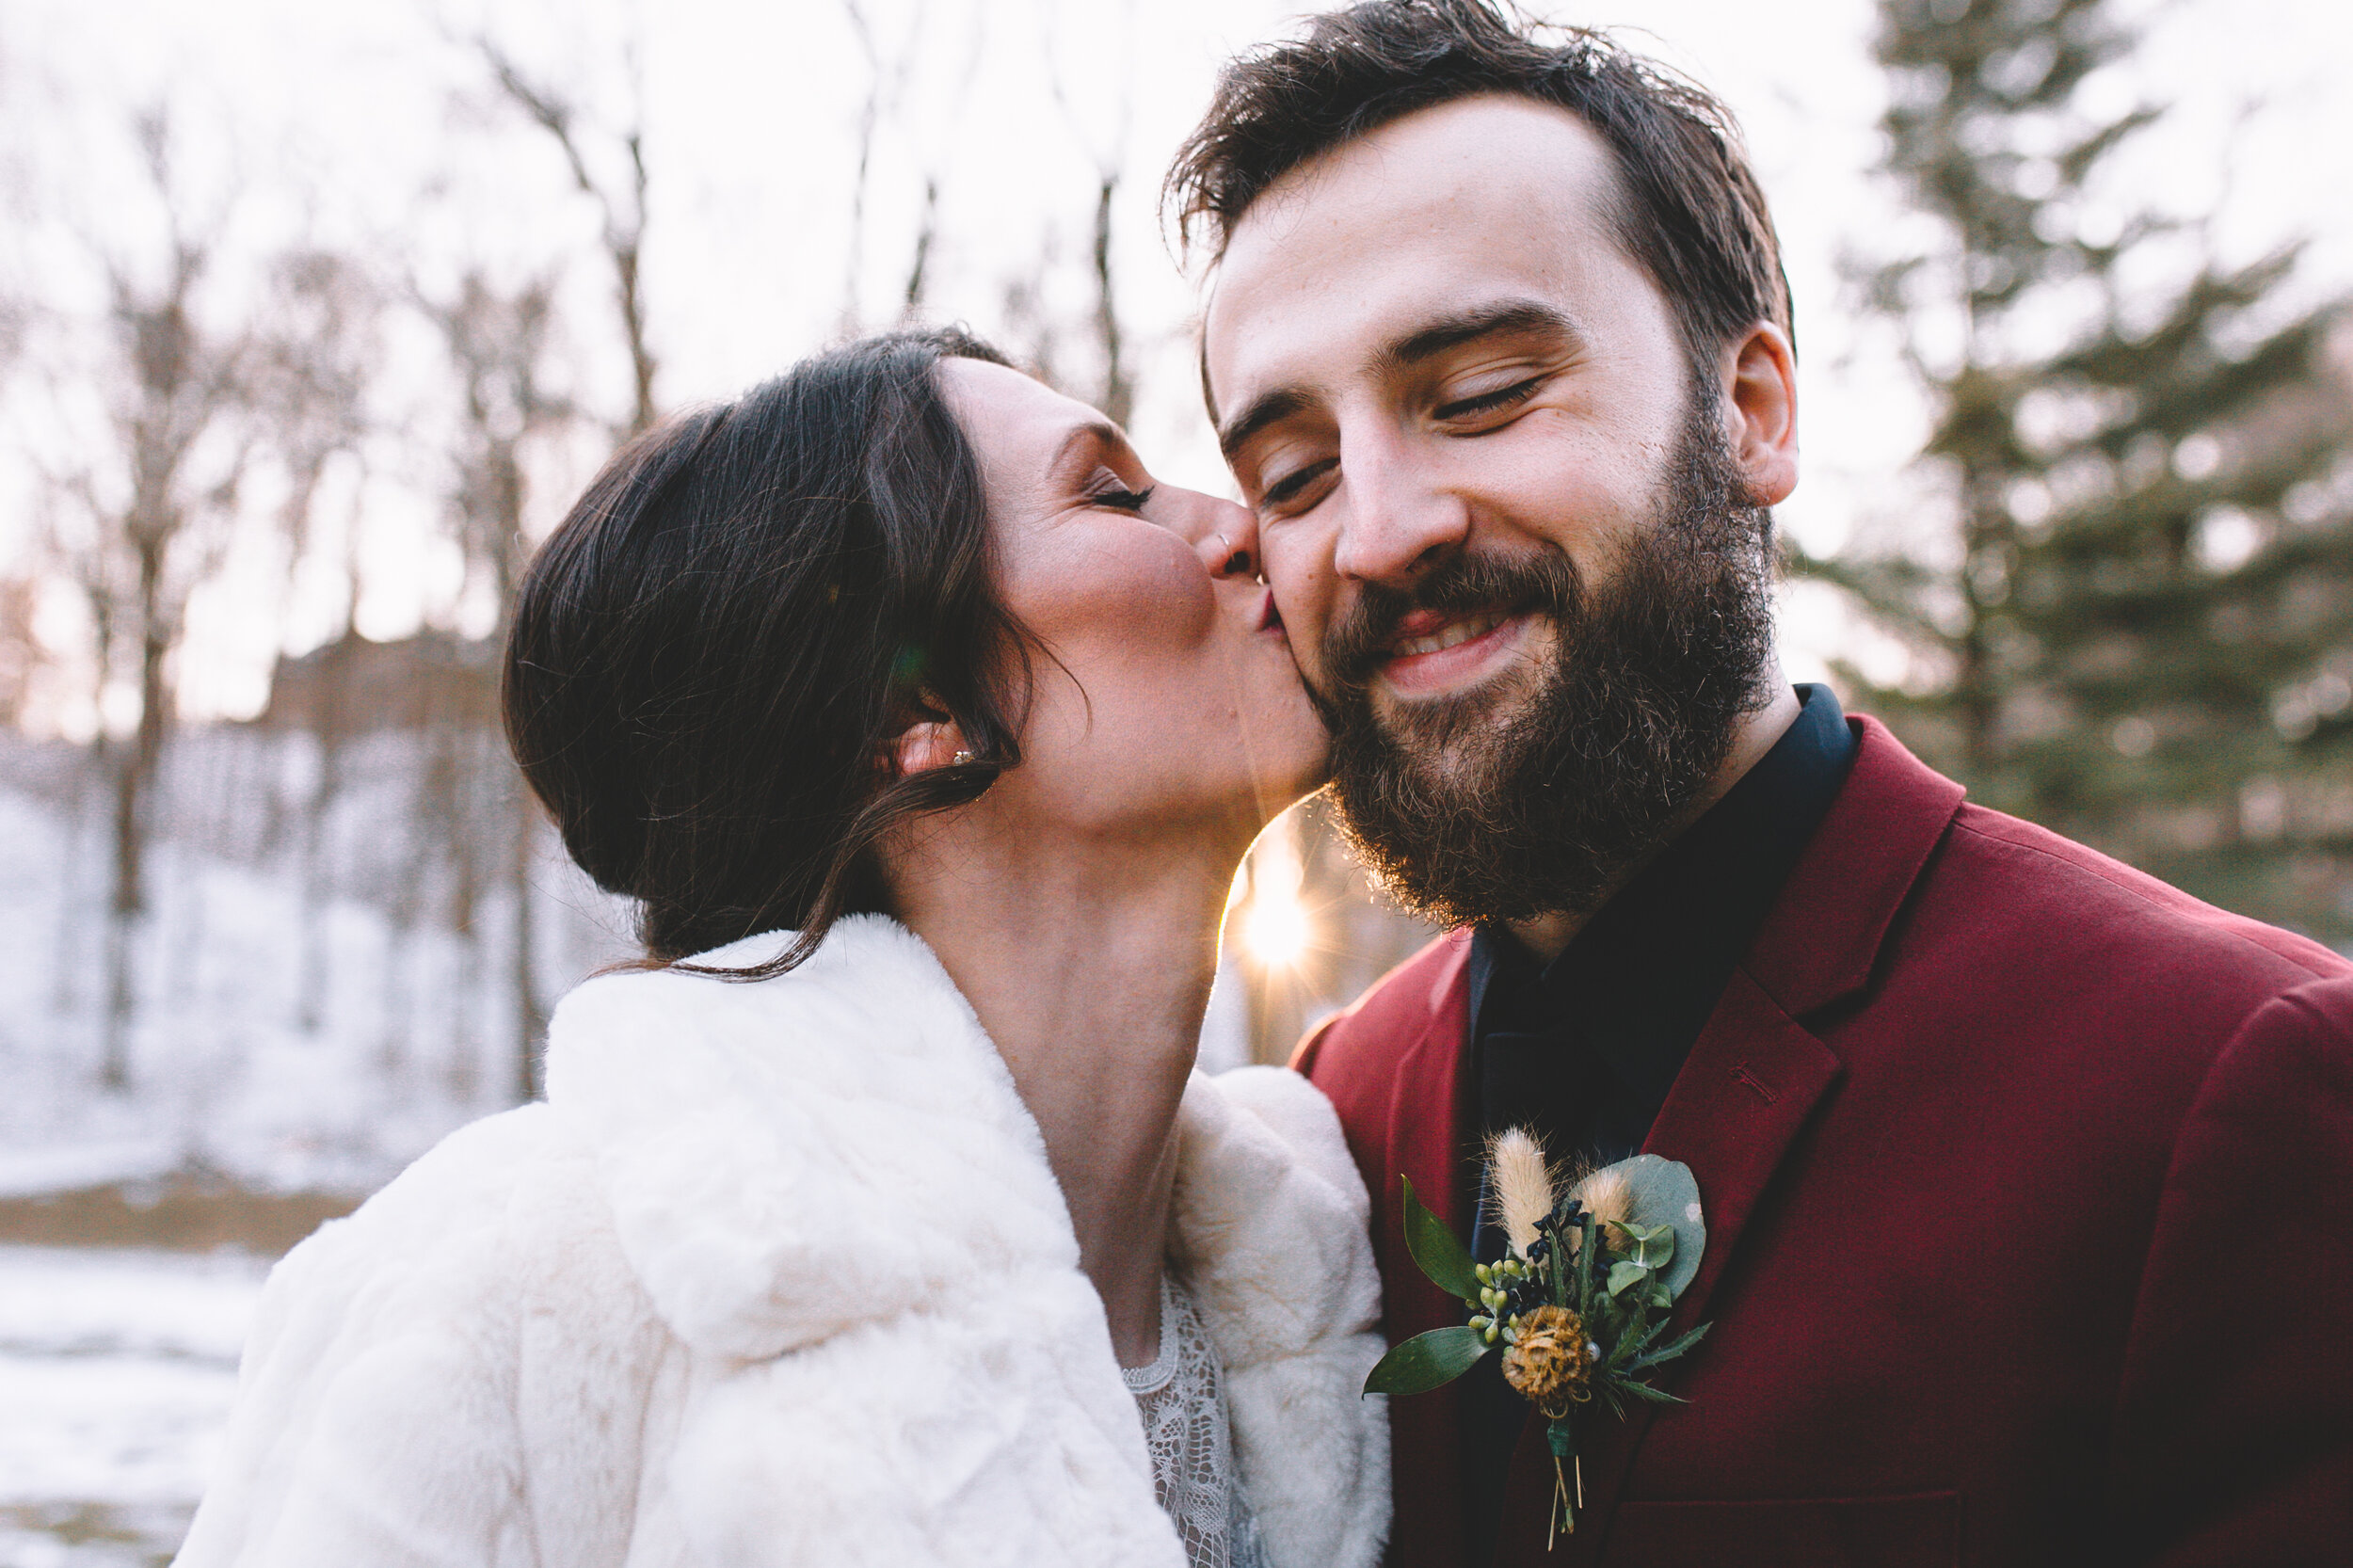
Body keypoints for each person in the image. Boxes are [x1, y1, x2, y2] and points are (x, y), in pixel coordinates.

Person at [1168, 2, 2353, 1564]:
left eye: (1479, 393)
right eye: (1296, 474)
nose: (1377, 530)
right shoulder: (1327, 1127)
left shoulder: (2228, 1086)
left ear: (1754, 412)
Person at [170, 329, 1390, 1568]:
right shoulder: (512, 1289)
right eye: (1113, 493)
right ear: (916, 710)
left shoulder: (1337, 1267)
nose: (1241, 525)